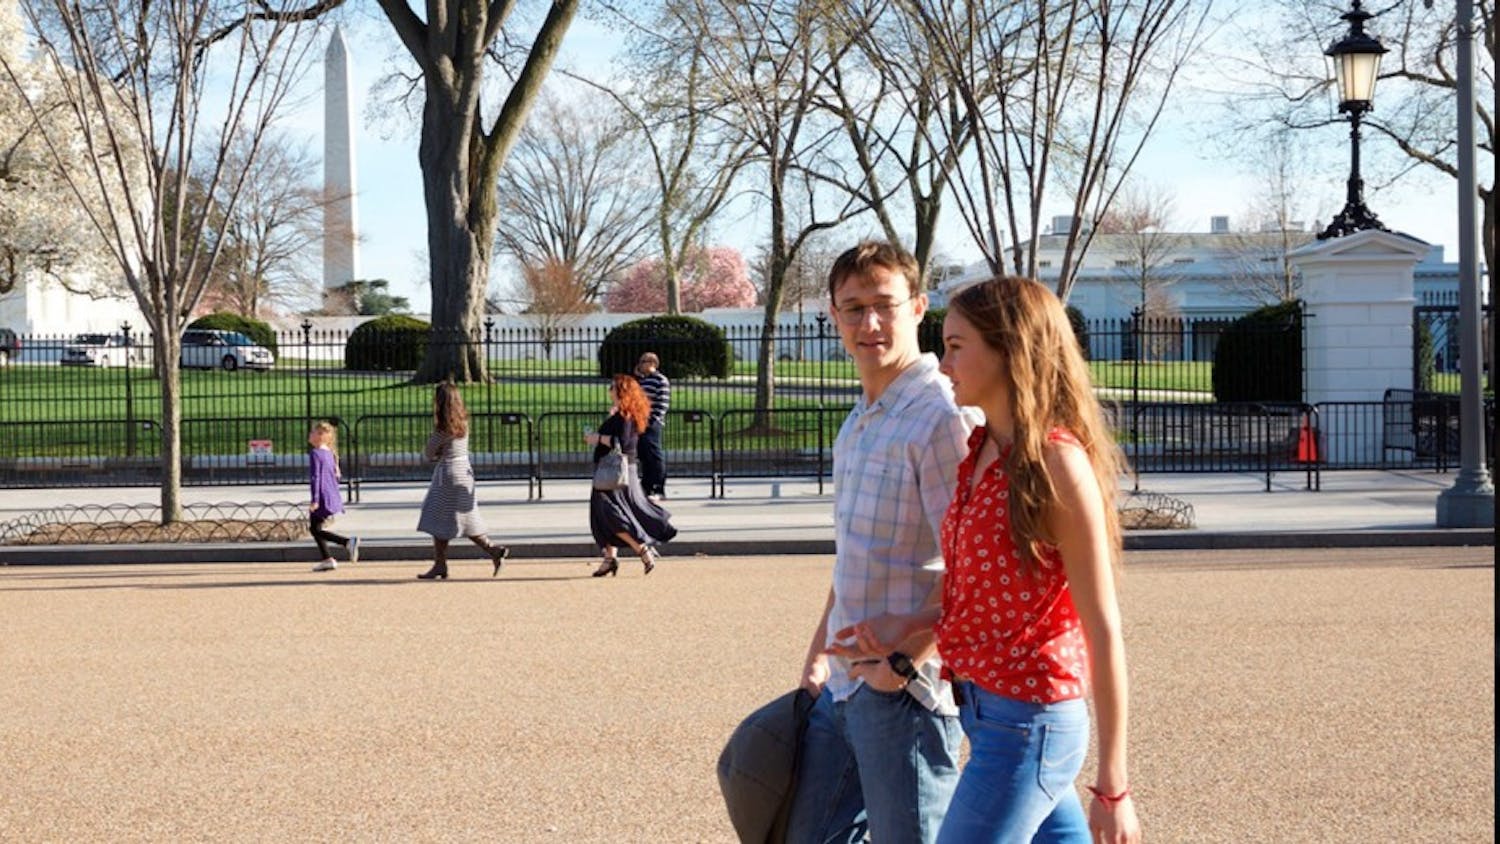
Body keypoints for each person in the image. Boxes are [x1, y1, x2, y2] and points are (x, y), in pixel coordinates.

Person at [827, 275, 1141, 844]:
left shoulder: (1055, 463)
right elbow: (977, 594)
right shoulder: (979, 450)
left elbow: (1104, 628)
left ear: (1009, 348)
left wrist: (1113, 785)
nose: (943, 364)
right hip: (987, 714)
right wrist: (912, 633)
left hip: (1031, 725)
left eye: (955, 346)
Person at [784, 241, 977, 844]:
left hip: (905, 692)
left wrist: (905, 658)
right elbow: (853, 556)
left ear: (919, 307)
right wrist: (818, 652)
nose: (869, 323)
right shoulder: (860, 419)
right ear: (834, 316)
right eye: (853, 307)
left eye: (884, 305)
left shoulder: (943, 417)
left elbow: (977, 568)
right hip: (843, 682)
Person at [585, 374, 677, 577]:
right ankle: (609, 559)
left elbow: (622, 443)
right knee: (604, 516)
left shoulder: (625, 416)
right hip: (615, 471)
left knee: (611, 516)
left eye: (613, 387)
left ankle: (641, 549)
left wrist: (597, 438)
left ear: (621, 391)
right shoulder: (623, 413)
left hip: (615, 474)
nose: (610, 390)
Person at [415, 383, 509, 580]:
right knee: (465, 519)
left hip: (447, 475)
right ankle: (491, 550)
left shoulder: (443, 428)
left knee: (436, 517)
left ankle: (441, 564)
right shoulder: (463, 424)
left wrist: (437, 451)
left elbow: (428, 453)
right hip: (465, 472)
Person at [307, 420, 359, 572]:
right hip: (329, 495)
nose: (310, 435)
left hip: (321, 496)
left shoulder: (316, 453)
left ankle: (347, 542)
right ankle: (327, 559)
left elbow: (316, 477)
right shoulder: (329, 453)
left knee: (315, 529)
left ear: (321, 435)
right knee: (315, 527)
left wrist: (315, 499)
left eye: (313, 432)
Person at [634, 352, 671, 499]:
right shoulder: (642, 381)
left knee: (654, 455)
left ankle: (658, 487)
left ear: (652, 363)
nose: (640, 365)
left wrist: (653, 420)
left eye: (643, 362)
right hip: (640, 422)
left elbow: (662, 403)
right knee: (644, 455)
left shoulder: (660, 380)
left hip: (652, 423)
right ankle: (646, 486)